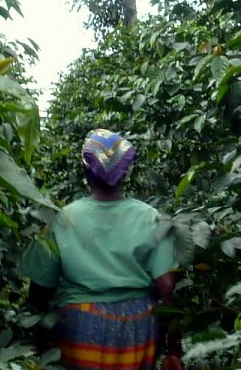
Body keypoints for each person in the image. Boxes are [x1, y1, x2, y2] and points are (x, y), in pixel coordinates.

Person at [21, 129, 181, 369]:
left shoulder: (62, 219)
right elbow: (168, 289)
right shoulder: (151, 218)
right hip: (139, 328)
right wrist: (174, 350)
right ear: (125, 173)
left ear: (86, 172)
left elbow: (39, 293)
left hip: (79, 327)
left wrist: (39, 344)